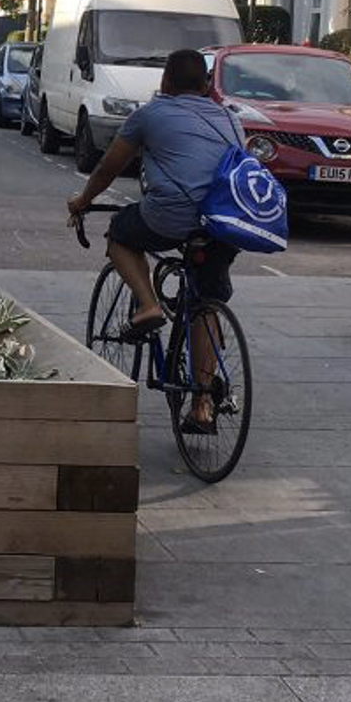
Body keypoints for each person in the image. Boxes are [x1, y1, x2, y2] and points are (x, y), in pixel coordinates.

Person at [65, 48, 243, 431]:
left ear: (164, 82)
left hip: (170, 216)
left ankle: (147, 305)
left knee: (121, 235)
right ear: (206, 84)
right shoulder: (231, 121)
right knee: (206, 303)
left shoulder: (150, 115)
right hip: (223, 223)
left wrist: (83, 201)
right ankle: (201, 408)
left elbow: (108, 167)